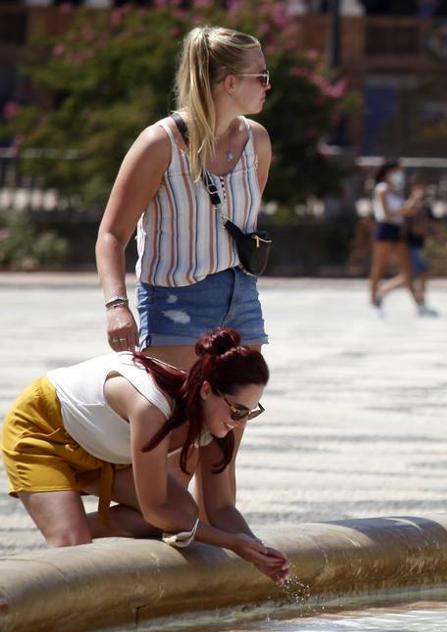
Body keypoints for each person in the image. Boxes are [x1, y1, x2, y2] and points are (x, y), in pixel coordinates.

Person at [2, 328, 289, 583]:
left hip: (104, 446)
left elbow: (220, 508)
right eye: (237, 410)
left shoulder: (219, 422)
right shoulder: (150, 406)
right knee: (76, 551)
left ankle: (69, 522)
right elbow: (156, 510)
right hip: (43, 429)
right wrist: (231, 542)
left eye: (251, 412)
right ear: (206, 390)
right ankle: (66, 530)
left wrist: (257, 549)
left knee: (184, 512)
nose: (240, 423)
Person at [96, 26, 273, 370]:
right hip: (175, 299)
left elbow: (245, 222)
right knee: (176, 419)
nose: (268, 85)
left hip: (243, 295)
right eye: (262, 76)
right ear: (231, 83)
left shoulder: (258, 142)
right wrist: (116, 305)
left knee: (232, 420)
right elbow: (112, 235)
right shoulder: (159, 144)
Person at [376, 178, 447, 316]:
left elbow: (433, 226)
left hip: (418, 245)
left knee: (408, 276)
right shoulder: (407, 204)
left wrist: (445, 242)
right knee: (419, 273)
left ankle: (385, 293)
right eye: (418, 187)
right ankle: (420, 304)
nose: (421, 191)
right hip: (408, 245)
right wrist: (412, 205)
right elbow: (399, 218)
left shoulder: (426, 206)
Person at [368, 161, 423, 313]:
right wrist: (408, 205)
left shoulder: (396, 191)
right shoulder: (382, 189)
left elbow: (404, 212)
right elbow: (388, 214)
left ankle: (418, 304)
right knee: (379, 266)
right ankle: (372, 301)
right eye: (397, 171)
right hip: (385, 229)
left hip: (398, 230)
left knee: (408, 270)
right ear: (388, 172)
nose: (400, 175)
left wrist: (414, 201)